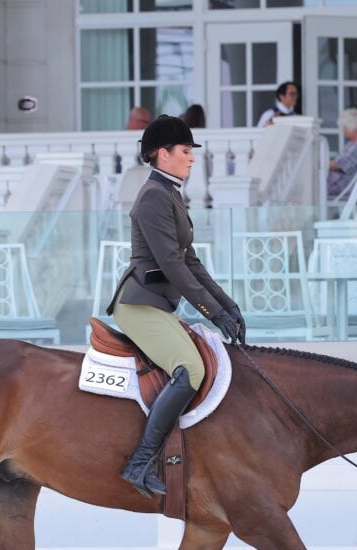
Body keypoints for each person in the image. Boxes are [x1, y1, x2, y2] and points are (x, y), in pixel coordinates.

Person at [105, 115, 245, 498]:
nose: (191, 158)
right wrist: (211, 313)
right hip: (139, 306)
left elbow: (192, 261)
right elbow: (171, 264)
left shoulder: (170, 194)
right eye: (185, 151)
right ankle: (140, 461)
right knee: (191, 369)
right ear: (162, 155)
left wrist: (228, 306)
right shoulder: (153, 196)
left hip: (158, 305)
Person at [327, 108, 357, 199]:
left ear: (352, 126)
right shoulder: (351, 143)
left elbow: (340, 165)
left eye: (344, 127)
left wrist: (319, 163)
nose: (343, 131)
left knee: (311, 187)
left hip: (343, 186)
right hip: (337, 182)